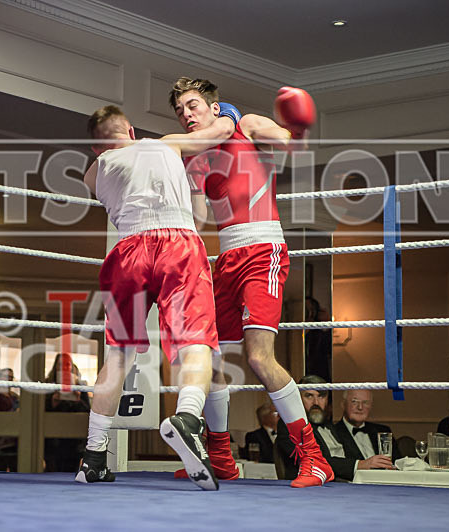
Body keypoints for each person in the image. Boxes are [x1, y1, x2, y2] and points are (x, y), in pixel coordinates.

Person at [169, 77, 333, 487]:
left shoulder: (247, 125)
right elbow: (199, 216)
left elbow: (289, 145)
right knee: (214, 361)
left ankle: (314, 458)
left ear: (212, 105)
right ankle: (222, 459)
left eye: (192, 106)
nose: (186, 114)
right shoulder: (198, 157)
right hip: (224, 259)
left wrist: (297, 129)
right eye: (180, 111)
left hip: (263, 251)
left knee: (259, 358)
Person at [75, 103, 237, 491]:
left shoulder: (94, 172)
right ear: (131, 131)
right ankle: (187, 418)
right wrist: (228, 113)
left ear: (97, 146)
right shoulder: (166, 145)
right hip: (177, 244)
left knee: (117, 354)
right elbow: (218, 134)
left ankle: (94, 458)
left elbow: (108, 168)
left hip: (126, 254)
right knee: (194, 342)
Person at [44, 354, 91, 472]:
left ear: (72, 367)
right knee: (52, 470)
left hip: (74, 440)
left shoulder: (80, 386)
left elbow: (87, 412)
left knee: (71, 469)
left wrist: (78, 399)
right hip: (52, 438)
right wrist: (53, 401)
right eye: (60, 364)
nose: (64, 368)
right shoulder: (48, 385)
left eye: (67, 364)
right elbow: (38, 412)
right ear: (55, 367)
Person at [332, 389, 398, 471]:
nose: (360, 407)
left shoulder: (383, 430)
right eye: (354, 401)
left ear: (371, 406)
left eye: (365, 402)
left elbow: (397, 462)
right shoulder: (333, 433)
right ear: (343, 404)